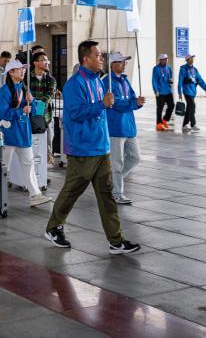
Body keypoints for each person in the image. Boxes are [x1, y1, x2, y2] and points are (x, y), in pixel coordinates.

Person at [44, 40, 140, 255]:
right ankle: (53, 227)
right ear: (86, 58)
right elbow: (76, 113)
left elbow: (106, 108)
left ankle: (116, 241)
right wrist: (101, 104)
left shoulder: (99, 81)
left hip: (101, 147)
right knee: (72, 191)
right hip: (82, 148)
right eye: (97, 55)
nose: (101, 58)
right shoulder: (74, 84)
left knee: (107, 195)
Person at [0, 59, 53, 207]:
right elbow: (2, 114)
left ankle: (35, 195)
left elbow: (35, 110)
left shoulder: (25, 90)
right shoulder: (3, 92)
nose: (23, 71)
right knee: (3, 166)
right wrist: (21, 110)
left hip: (23, 133)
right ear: (11, 72)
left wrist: (34, 103)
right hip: (8, 134)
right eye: (19, 69)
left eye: (23, 69)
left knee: (29, 164)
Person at [104, 52, 145, 205]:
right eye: (121, 62)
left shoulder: (125, 80)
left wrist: (138, 102)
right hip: (116, 127)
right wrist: (134, 103)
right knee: (117, 162)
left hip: (128, 126)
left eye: (124, 62)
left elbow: (131, 98)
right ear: (112, 64)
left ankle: (114, 180)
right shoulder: (107, 82)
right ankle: (117, 193)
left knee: (135, 157)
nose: (124, 64)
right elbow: (115, 103)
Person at [27, 51, 58, 162]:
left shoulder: (51, 80)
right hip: (30, 117)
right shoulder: (27, 79)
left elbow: (48, 98)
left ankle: (45, 171)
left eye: (47, 60)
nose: (47, 62)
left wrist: (34, 102)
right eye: (43, 60)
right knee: (31, 147)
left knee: (47, 145)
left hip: (46, 117)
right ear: (35, 63)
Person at [177, 54, 206, 131]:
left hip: (193, 91)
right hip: (187, 91)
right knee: (192, 106)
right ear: (187, 60)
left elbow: (200, 80)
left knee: (189, 108)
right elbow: (180, 81)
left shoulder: (195, 70)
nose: (192, 60)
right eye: (190, 59)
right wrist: (180, 92)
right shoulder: (183, 69)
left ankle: (184, 125)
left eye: (192, 58)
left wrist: (205, 88)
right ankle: (193, 125)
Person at [152, 53, 175, 131]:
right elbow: (154, 80)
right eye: (162, 60)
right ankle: (158, 124)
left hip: (168, 91)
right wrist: (156, 90)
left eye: (165, 59)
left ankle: (165, 119)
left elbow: (170, 77)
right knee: (160, 108)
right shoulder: (156, 69)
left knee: (172, 105)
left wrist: (170, 80)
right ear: (160, 60)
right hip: (160, 92)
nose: (164, 61)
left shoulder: (169, 68)